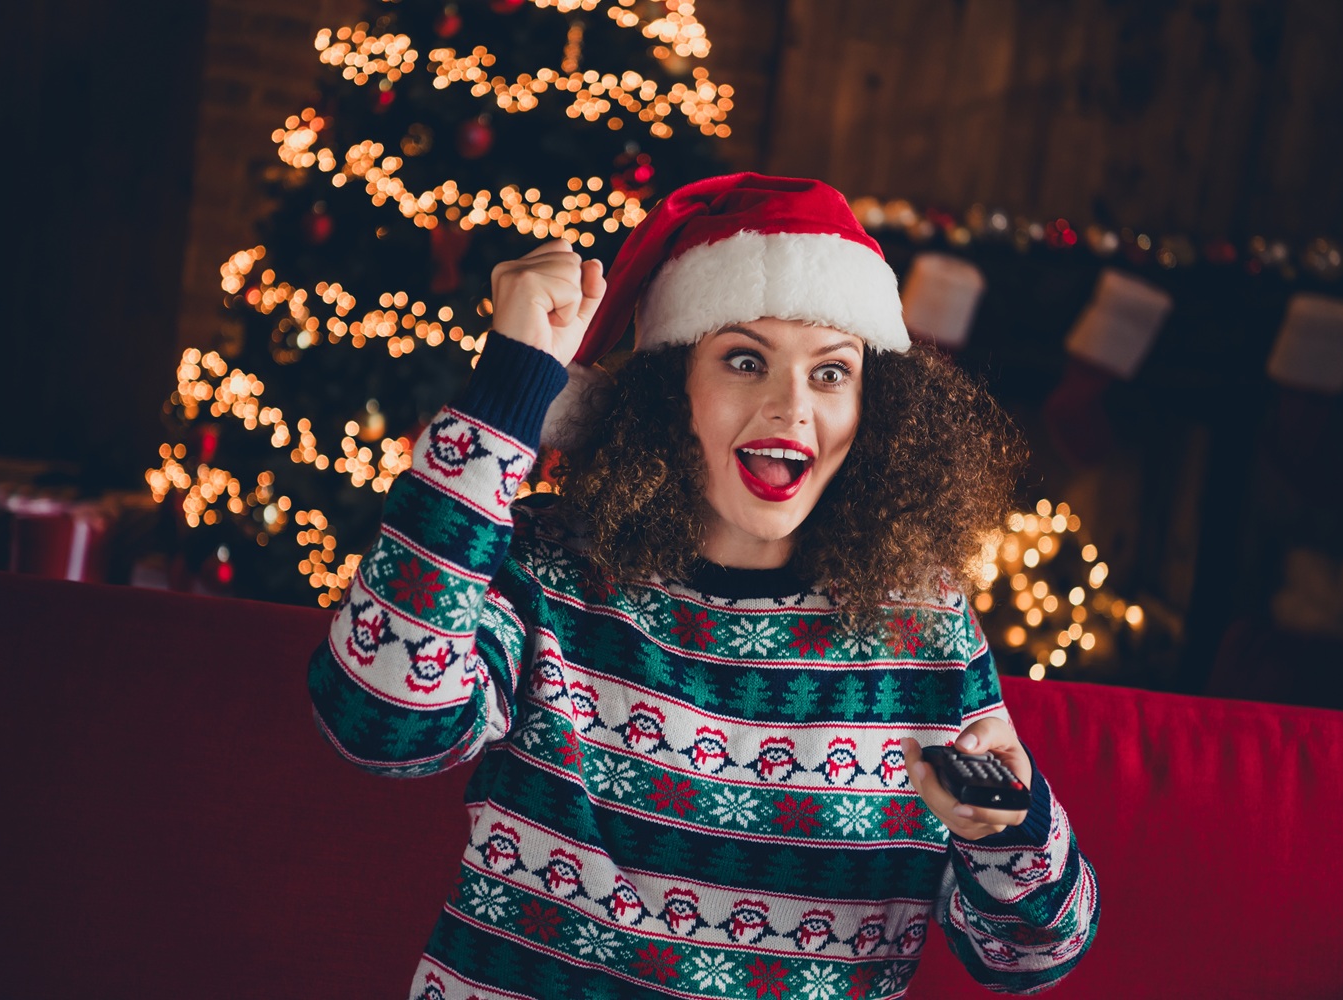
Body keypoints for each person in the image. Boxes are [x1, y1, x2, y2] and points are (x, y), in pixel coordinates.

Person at [308, 173, 1099, 999]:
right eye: (745, 360)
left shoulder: (924, 624)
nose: (792, 407)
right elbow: (377, 723)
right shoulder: (553, 573)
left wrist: (1009, 834)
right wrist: (507, 391)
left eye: (831, 373)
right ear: (667, 390)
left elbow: (1033, 957)